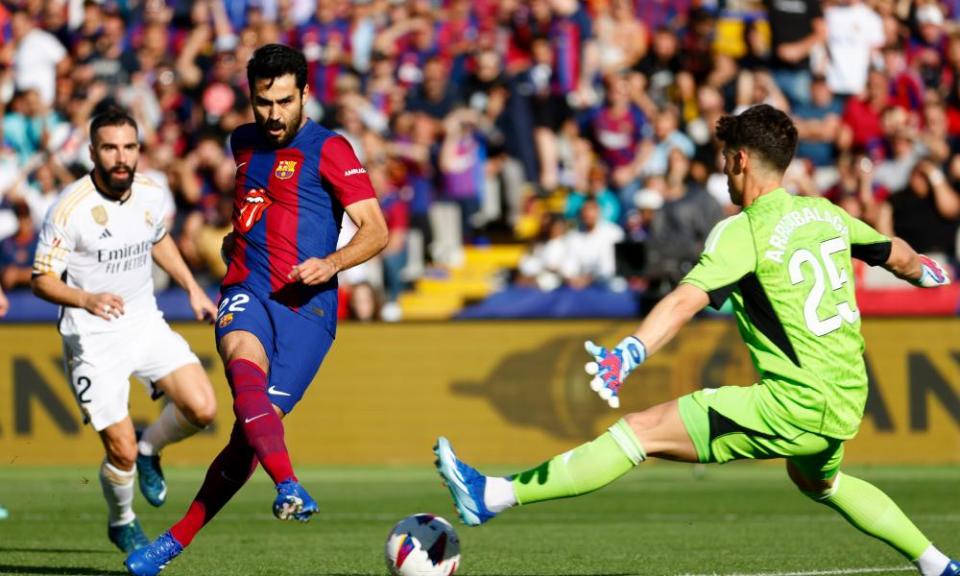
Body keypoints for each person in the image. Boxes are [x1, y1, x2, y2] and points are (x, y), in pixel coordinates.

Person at [433, 105, 960, 576]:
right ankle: (938, 565)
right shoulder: (826, 212)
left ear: (741, 161)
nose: (721, 170)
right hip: (847, 394)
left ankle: (493, 496)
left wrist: (630, 352)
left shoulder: (742, 231)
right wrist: (929, 275)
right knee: (821, 483)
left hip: (797, 402)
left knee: (639, 431)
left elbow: (686, 299)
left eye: (724, 158)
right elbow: (897, 253)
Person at [125, 44, 388, 576]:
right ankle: (288, 484)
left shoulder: (332, 149)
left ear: (305, 95)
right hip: (247, 287)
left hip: (308, 310)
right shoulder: (241, 141)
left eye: (284, 102)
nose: (272, 115)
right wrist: (236, 240)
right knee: (241, 365)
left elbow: (377, 230)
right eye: (263, 101)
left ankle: (177, 539)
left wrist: (330, 262)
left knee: (248, 435)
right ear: (250, 97)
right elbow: (257, 201)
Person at [31, 107, 219, 553]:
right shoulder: (69, 209)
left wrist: (192, 287)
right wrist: (87, 299)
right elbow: (41, 280)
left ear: (139, 149)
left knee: (203, 408)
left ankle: (153, 448)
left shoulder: (152, 193)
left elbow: (158, 239)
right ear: (93, 151)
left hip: (143, 320)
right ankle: (123, 521)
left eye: (129, 147)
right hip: (92, 337)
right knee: (120, 451)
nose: (121, 157)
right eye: (111, 147)